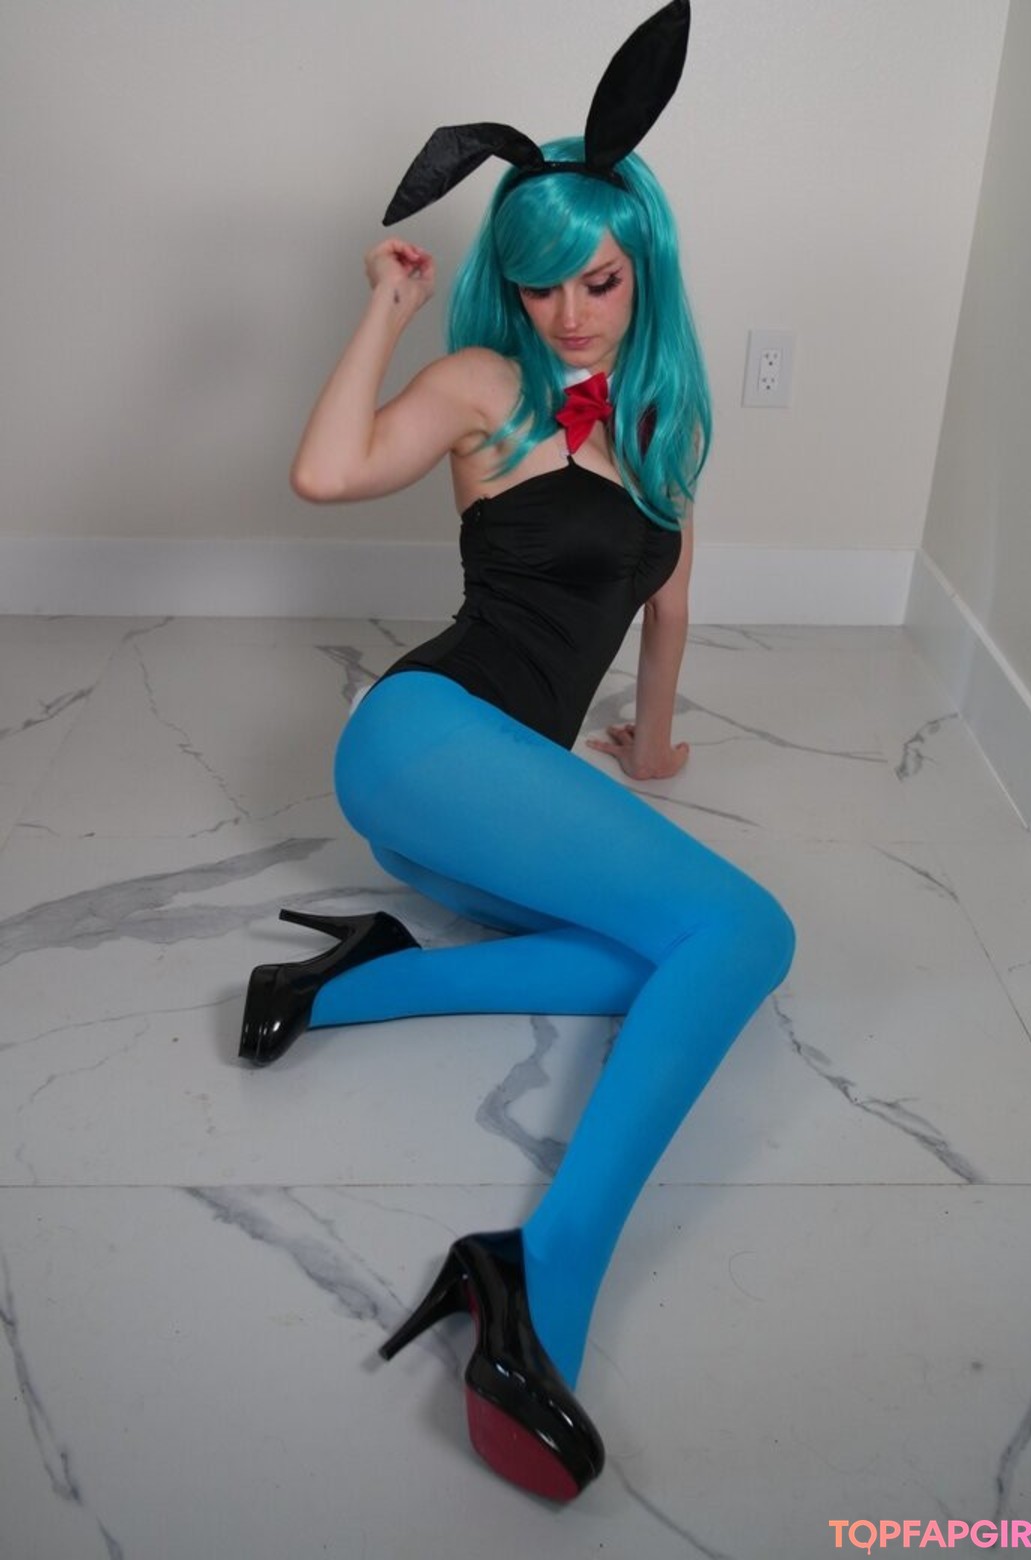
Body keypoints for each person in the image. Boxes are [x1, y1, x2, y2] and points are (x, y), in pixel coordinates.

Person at [239, 1, 795, 1503]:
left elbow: (667, 607)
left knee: (652, 962)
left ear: (643, 265)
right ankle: (537, 1277)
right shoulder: (487, 386)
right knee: (746, 933)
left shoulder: (666, 428)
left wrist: (653, 749)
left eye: (596, 280)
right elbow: (326, 471)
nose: (568, 314)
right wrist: (387, 308)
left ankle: (343, 982)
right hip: (422, 739)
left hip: (500, 801)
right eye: (541, 283)